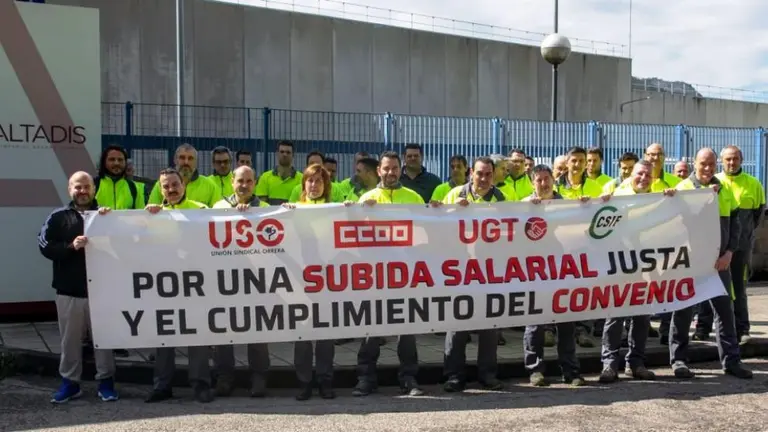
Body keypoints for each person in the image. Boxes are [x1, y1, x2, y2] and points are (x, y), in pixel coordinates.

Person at [668, 148, 752, 379]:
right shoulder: (682, 189)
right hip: (689, 263)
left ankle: (731, 361)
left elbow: (736, 225)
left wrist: (729, 253)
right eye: (703, 163)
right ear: (694, 163)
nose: (707, 168)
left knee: (725, 312)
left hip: (718, 263)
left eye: (711, 164)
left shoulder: (723, 189)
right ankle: (679, 360)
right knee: (683, 311)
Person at [38, 171, 118, 403]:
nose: (82, 191)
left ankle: (106, 382)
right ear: (69, 190)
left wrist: (109, 222)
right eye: (77, 187)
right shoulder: (58, 217)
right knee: (70, 341)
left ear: (94, 189)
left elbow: (124, 246)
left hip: (101, 292)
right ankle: (70, 384)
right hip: (69, 292)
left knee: (104, 340)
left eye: (86, 187)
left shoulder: (106, 215)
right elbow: (44, 246)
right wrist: (70, 246)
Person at [353, 151, 425, 397]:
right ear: (378, 171)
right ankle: (366, 378)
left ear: (400, 169)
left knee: (406, 331)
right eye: (386, 168)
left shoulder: (413, 198)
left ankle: (409, 378)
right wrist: (362, 213)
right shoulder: (368, 198)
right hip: (375, 276)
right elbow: (353, 234)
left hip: (406, 276)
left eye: (395, 168)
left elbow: (428, 230)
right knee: (372, 330)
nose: (391, 173)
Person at [598, 160, 673, 383]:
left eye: (648, 175)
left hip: (646, 266)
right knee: (615, 316)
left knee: (641, 317)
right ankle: (609, 364)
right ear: (631, 174)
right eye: (640, 173)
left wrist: (673, 198)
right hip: (619, 265)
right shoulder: (617, 196)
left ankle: (636, 363)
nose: (644, 178)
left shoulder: (659, 197)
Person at [144, 168, 213, 403]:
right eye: (166, 186)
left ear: (183, 184)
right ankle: (162, 386)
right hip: (164, 285)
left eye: (175, 184)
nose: (171, 189)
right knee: (164, 337)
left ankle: (201, 384)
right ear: (160, 189)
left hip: (196, 283)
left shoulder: (201, 211)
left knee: (198, 336)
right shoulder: (152, 214)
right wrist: (148, 219)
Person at [438, 157, 505, 392]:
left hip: (489, 271)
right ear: (470, 174)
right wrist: (451, 210)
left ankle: (487, 374)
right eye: (479, 174)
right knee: (456, 325)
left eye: (488, 174)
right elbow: (436, 225)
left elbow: (511, 233)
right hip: (459, 271)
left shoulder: (502, 200)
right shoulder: (454, 194)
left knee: (490, 325)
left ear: (494, 175)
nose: (484, 179)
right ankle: (454, 375)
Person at [282, 164, 344, 400]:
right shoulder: (292, 210)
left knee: (326, 335)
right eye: (310, 181)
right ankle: (304, 383)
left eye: (319, 181)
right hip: (300, 280)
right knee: (303, 335)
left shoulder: (334, 210)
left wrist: (350, 211)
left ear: (327, 186)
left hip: (328, 280)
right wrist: (286, 213)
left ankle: (325, 382)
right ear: (303, 184)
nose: (314, 185)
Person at [211, 166, 272, 398]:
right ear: (231, 182)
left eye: (249, 181)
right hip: (224, 279)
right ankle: (224, 378)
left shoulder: (266, 210)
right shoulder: (218, 208)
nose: (244, 185)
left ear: (255, 183)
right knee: (223, 330)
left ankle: (258, 378)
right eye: (240, 181)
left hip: (257, 279)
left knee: (257, 330)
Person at [695, 145, 766, 343]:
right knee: (707, 286)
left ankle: (743, 329)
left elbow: (758, 214)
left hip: (740, 249)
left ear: (741, 160)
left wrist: (743, 237)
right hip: (712, 247)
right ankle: (702, 327)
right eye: (727, 159)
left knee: (739, 288)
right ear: (721, 161)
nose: (731, 162)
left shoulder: (753, 183)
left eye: (735, 159)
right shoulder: (715, 182)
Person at [522, 165, 584, 387]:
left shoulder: (567, 204)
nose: (543, 184)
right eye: (538, 180)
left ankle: (570, 371)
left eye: (547, 179)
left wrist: (588, 206)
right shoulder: (522, 206)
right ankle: (535, 370)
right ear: (532, 183)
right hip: (535, 273)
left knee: (566, 323)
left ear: (553, 180)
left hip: (563, 271)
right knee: (535, 323)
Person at [148, 143, 217, 207]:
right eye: (182, 158)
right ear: (175, 160)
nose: (186, 162)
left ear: (196, 162)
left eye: (190, 158)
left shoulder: (210, 185)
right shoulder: (162, 184)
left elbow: (218, 213)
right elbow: (152, 212)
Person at [255, 140, 303, 205]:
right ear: (277, 154)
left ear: (293, 155)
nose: (285, 154)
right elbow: (261, 204)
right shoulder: (265, 177)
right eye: (282, 152)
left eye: (288, 152)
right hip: (271, 215)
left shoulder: (302, 178)